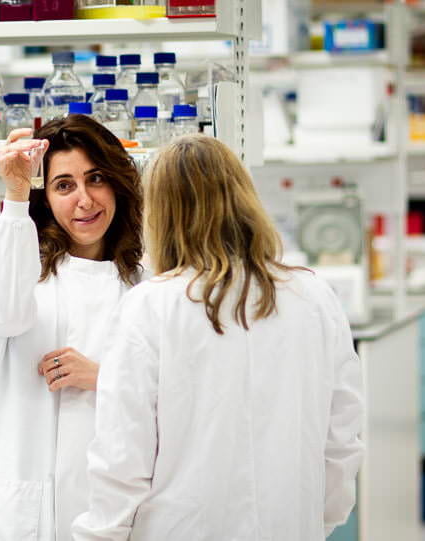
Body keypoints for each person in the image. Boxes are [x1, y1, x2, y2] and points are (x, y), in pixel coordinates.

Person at [72, 135, 365, 540]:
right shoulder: (313, 296)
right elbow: (342, 437)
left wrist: (98, 535)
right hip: (289, 525)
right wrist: (318, 520)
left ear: (160, 214)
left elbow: (122, 457)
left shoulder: (151, 305)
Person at [0, 115, 143, 541]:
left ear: (118, 183)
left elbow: (180, 390)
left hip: (110, 501)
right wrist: (16, 193)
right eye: (63, 185)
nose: (85, 200)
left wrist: (105, 378)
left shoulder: (143, 280)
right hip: (19, 499)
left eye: (96, 179)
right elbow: (2, 315)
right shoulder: (16, 259)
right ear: (45, 196)